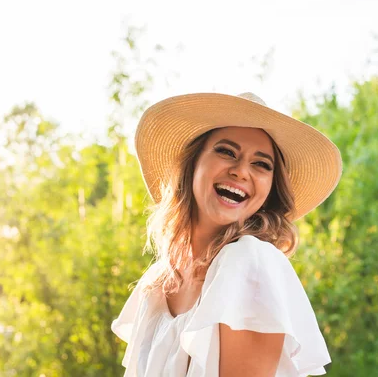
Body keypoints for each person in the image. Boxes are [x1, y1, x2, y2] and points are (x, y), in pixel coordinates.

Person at [111, 92, 342, 377]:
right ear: (193, 164)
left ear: (271, 188)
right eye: (227, 152)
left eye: (261, 164)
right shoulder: (157, 282)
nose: (241, 171)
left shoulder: (249, 261)